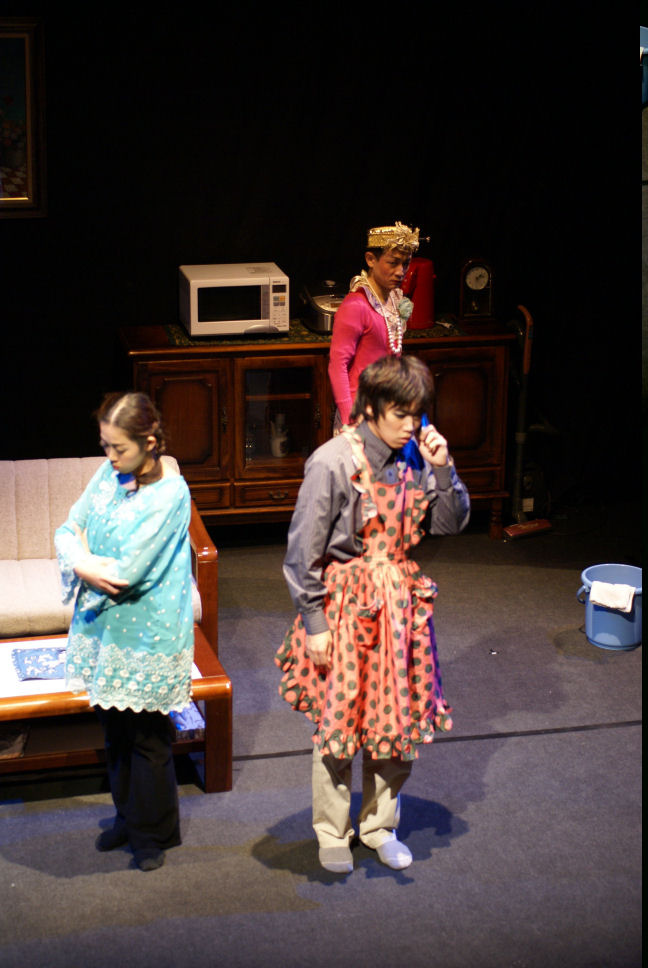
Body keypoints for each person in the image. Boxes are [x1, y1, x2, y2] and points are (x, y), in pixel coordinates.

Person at [276, 355, 470, 874]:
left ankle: (381, 825)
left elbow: (449, 525)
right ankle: (332, 830)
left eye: (418, 415)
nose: (411, 425)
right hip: (346, 608)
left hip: (400, 610)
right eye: (401, 414)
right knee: (340, 722)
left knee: (396, 720)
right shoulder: (332, 462)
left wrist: (444, 467)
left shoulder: (418, 456)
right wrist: (315, 625)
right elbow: (301, 553)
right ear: (370, 408)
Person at [55, 392, 194, 872]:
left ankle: (154, 833)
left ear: (150, 442)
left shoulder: (171, 493)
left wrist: (85, 561)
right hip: (102, 625)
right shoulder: (108, 475)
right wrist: (81, 560)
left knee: (147, 736)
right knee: (114, 728)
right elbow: (68, 528)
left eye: (119, 448)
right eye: (106, 446)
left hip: (147, 632)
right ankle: (126, 817)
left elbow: (128, 570)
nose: (110, 456)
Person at [328, 221, 423, 431]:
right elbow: (337, 365)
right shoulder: (356, 305)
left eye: (405, 264)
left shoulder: (394, 299)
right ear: (371, 259)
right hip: (359, 413)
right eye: (393, 263)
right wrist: (349, 420)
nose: (400, 271)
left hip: (387, 412)